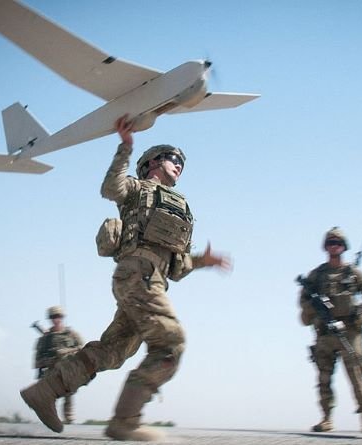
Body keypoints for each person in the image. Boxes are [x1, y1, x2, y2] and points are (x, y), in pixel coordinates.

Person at [20, 114, 230, 441]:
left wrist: (204, 261)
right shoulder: (137, 188)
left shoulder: (183, 208)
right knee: (170, 343)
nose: (179, 165)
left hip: (152, 281)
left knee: (113, 351)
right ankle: (126, 421)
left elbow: (177, 268)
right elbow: (110, 188)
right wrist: (125, 148)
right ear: (152, 163)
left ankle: (45, 392)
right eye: (172, 159)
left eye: (181, 163)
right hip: (137, 275)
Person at [299, 227, 362, 433]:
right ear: (325, 247)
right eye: (330, 243)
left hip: (350, 332)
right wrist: (315, 310)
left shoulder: (354, 274)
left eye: (337, 243)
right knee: (323, 378)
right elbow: (304, 300)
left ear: (344, 247)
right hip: (325, 332)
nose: (333, 246)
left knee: (356, 375)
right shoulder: (317, 275)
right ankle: (326, 418)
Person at [33, 306, 84, 424]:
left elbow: (82, 347)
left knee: (68, 392)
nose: (56, 319)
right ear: (50, 318)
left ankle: (68, 418)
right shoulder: (45, 337)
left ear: (62, 317)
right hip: (50, 368)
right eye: (53, 317)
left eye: (58, 316)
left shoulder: (71, 334)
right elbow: (38, 354)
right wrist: (40, 368)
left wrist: (66, 351)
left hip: (67, 367)